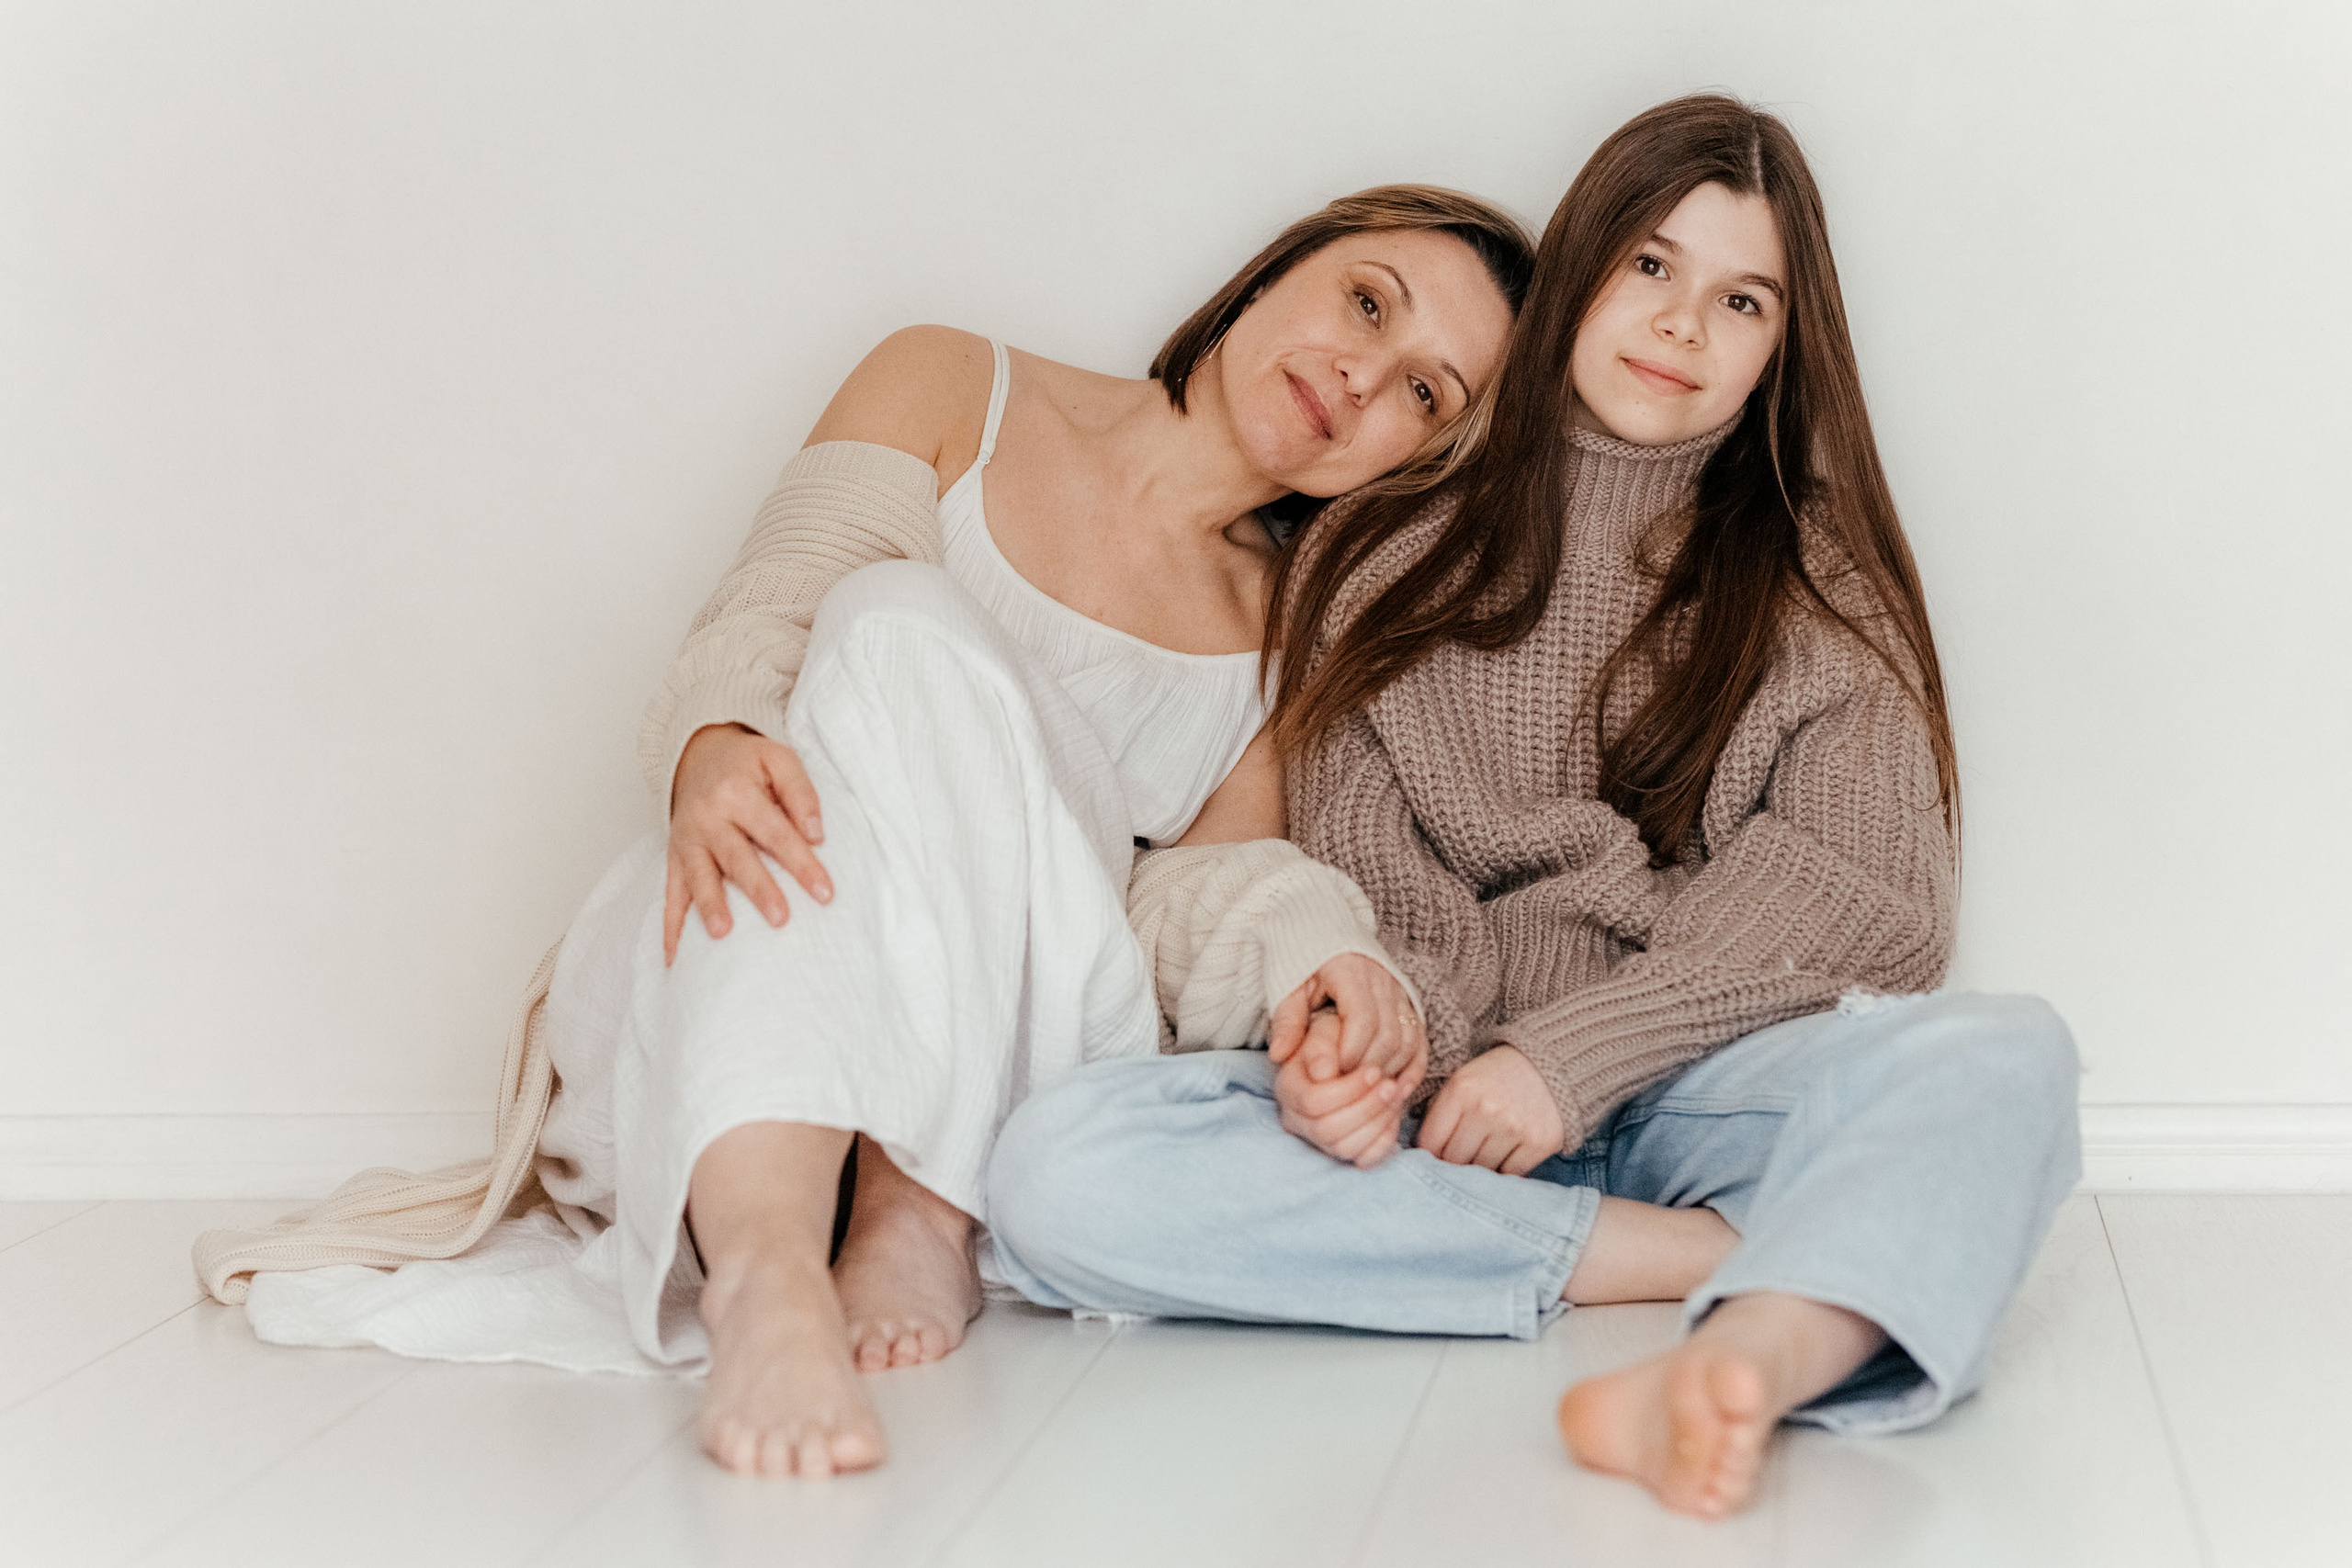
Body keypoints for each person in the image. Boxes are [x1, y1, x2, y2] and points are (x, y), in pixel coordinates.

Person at [193, 186, 1531, 1480]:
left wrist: (1311, 949)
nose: (1363, 377)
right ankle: (782, 1265)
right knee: (881, 628)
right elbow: (778, 604)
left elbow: (1178, 901)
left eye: (1425, 392)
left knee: (903, 624)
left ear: (1424, 458)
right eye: (1367, 304)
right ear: (1282, 266)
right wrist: (715, 744)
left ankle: (878, 1218)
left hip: (990, 1061)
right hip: (716, 984)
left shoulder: (1284, 641)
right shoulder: (954, 381)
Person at [983, 95, 2082, 1520]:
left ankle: (1749, 1349)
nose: (1682, 325)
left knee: (2008, 1057)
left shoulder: (1815, 582)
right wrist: (1385, 1048)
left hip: (1700, 1081)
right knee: (1061, 1172)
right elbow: (1364, 855)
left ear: (1780, 349)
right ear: (1577, 269)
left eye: (1740, 299)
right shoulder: (1383, 555)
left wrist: (1571, 1060)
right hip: (1446, 1107)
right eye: (1648, 266)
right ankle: (1702, 1257)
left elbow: (1869, 896)